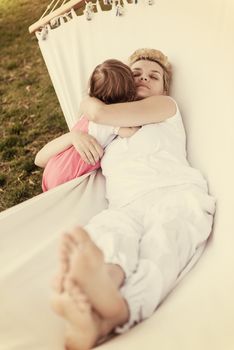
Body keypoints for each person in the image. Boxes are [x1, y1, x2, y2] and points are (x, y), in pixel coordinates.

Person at [50, 48, 216, 350]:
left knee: (163, 244)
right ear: (126, 80)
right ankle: (101, 293)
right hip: (125, 206)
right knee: (107, 235)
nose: (144, 78)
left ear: (163, 88)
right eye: (137, 73)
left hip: (175, 194)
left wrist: (87, 100)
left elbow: (97, 111)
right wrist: (74, 136)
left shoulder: (165, 107)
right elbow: (41, 158)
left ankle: (122, 308)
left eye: (154, 76)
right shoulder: (105, 128)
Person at [34, 59, 138, 191]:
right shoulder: (108, 120)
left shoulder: (86, 114)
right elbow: (131, 131)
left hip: (53, 168)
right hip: (66, 176)